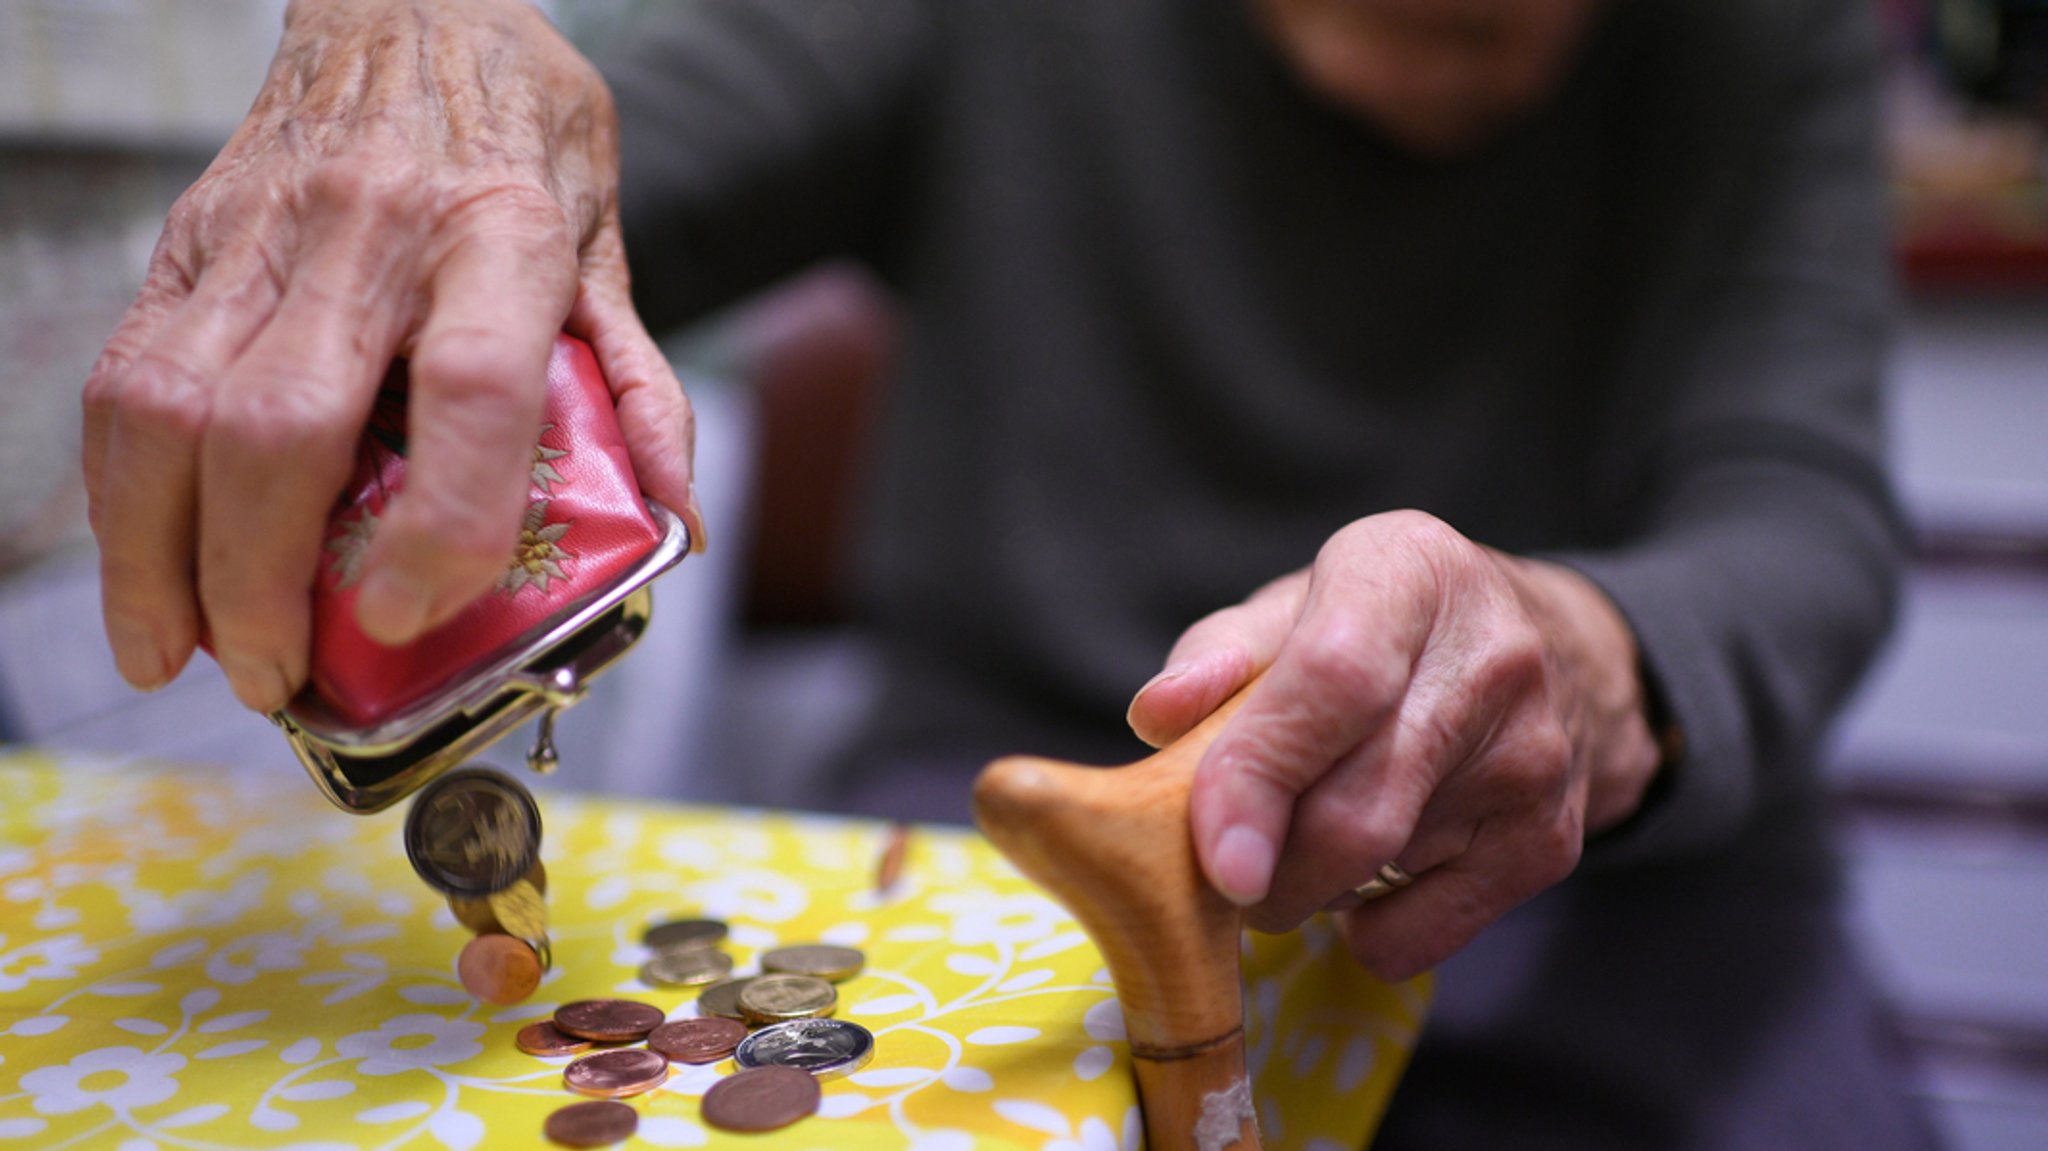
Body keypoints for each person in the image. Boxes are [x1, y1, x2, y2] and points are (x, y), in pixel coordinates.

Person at [82, 0, 1941, 1146]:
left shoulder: (1759, 40)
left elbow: (1797, 516)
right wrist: (434, 68)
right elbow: (594, 182)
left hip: (1617, 905)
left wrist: (1576, 658)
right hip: (996, 855)